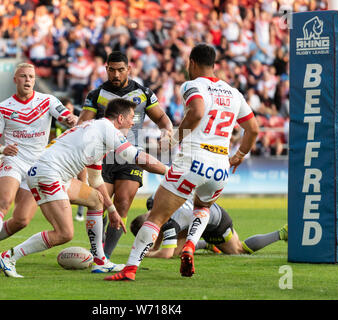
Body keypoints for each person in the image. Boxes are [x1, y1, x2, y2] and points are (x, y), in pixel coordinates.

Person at [105, 43, 259, 281]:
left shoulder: (193, 85)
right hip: (220, 167)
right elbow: (253, 129)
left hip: (193, 159)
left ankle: (129, 270)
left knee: (156, 217)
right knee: (202, 207)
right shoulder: (234, 93)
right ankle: (190, 245)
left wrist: (175, 139)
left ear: (192, 63)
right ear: (214, 64)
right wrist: (239, 155)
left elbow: (196, 112)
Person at [0, 98, 169, 277]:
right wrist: (169, 172)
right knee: (64, 233)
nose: (133, 122)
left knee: (95, 199)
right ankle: (9, 257)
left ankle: (100, 261)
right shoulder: (108, 130)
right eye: (132, 117)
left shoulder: (97, 131)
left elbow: (96, 180)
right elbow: (139, 159)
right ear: (121, 119)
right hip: (49, 174)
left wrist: (112, 210)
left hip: (53, 174)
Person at [0, 63, 77, 264]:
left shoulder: (47, 101)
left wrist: (72, 120)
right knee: (4, 201)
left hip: (38, 167)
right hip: (14, 160)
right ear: (15, 80)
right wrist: (1, 149)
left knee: (22, 220)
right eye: (23, 76)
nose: (28, 80)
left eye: (31, 76)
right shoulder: (3, 108)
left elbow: (66, 116)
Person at [77, 51, 173, 259]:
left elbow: (163, 119)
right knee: (99, 203)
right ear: (106, 69)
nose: (116, 74)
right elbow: (82, 125)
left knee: (121, 204)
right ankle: (98, 246)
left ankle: (105, 257)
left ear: (128, 69)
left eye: (121, 70)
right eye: (112, 70)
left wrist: (166, 133)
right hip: (103, 157)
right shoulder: (96, 95)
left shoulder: (143, 93)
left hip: (131, 156)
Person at [130, 194, 288, 258]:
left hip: (214, 222)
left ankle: (282, 233)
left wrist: (147, 254)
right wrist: (153, 247)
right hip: (193, 216)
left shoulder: (170, 224)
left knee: (239, 251)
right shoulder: (152, 202)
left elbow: (166, 254)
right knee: (179, 252)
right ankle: (205, 244)